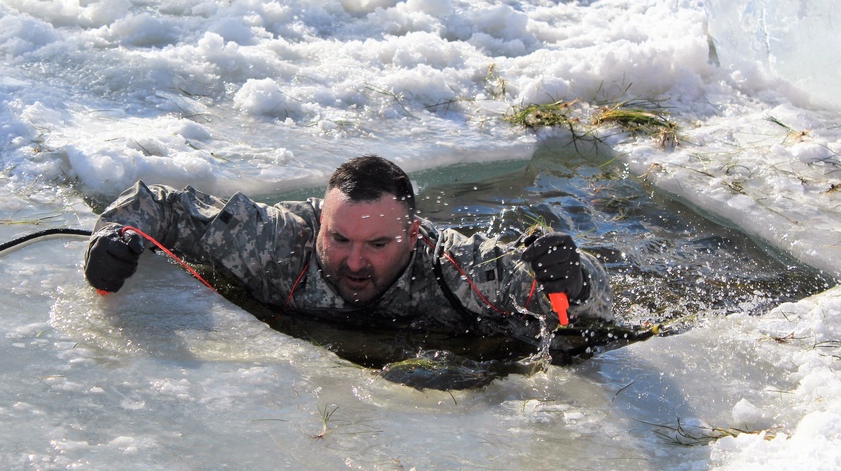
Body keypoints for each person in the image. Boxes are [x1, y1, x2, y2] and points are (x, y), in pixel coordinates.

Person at [83, 155, 613, 352]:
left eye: (378, 245)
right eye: (339, 240)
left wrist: (575, 275)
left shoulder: (452, 267)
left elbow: (584, 302)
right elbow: (163, 207)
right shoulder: (274, 240)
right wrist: (111, 237)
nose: (354, 262)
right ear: (320, 224)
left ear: (412, 236)